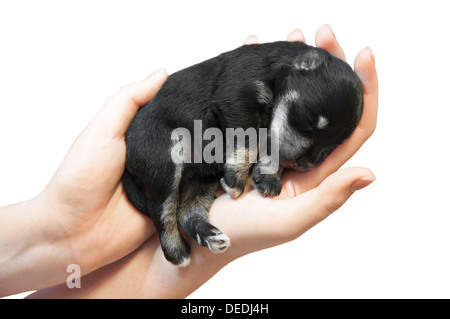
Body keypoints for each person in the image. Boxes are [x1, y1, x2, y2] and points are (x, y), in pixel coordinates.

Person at [0, 25, 378, 298]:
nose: (305, 157)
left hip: (204, 157)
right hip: (163, 134)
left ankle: (193, 219)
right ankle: (166, 225)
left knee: (201, 189)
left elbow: (270, 142)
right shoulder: (251, 73)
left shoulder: (285, 87)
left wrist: (268, 166)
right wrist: (245, 159)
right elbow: (230, 104)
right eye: (306, 125)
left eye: (323, 151)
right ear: (304, 66)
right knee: (173, 168)